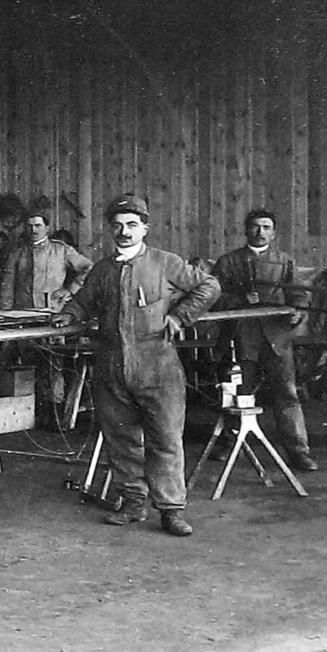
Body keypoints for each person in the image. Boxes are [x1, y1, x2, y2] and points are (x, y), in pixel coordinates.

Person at [56, 196, 220, 537]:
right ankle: (133, 503)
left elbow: (209, 286)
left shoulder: (165, 262)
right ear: (110, 229)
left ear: (145, 228)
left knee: (165, 439)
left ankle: (171, 510)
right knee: (122, 440)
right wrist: (69, 314)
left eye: (132, 225)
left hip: (158, 366)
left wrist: (181, 316)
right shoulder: (102, 269)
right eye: (117, 225)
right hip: (112, 365)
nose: (124, 232)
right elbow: (83, 302)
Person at [209, 209, 317, 472]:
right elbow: (212, 296)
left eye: (266, 227)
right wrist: (239, 301)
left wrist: (297, 312)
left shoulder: (284, 262)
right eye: (255, 227)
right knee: (238, 394)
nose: (260, 232)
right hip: (241, 337)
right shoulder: (229, 262)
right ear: (246, 230)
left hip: (276, 338)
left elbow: (298, 294)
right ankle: (228, 443)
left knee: (287, 395)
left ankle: (299, 452)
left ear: (273, 232)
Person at [0, 212, 93, 312]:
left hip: (53, 308)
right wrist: (5, 311)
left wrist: (70, 290)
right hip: (24, 310)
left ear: (47, 228)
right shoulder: (17, 252)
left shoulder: (62, 250)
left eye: (38, 226)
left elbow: (89, 267)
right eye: (30, 226)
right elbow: (7, 285)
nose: (33, 230)